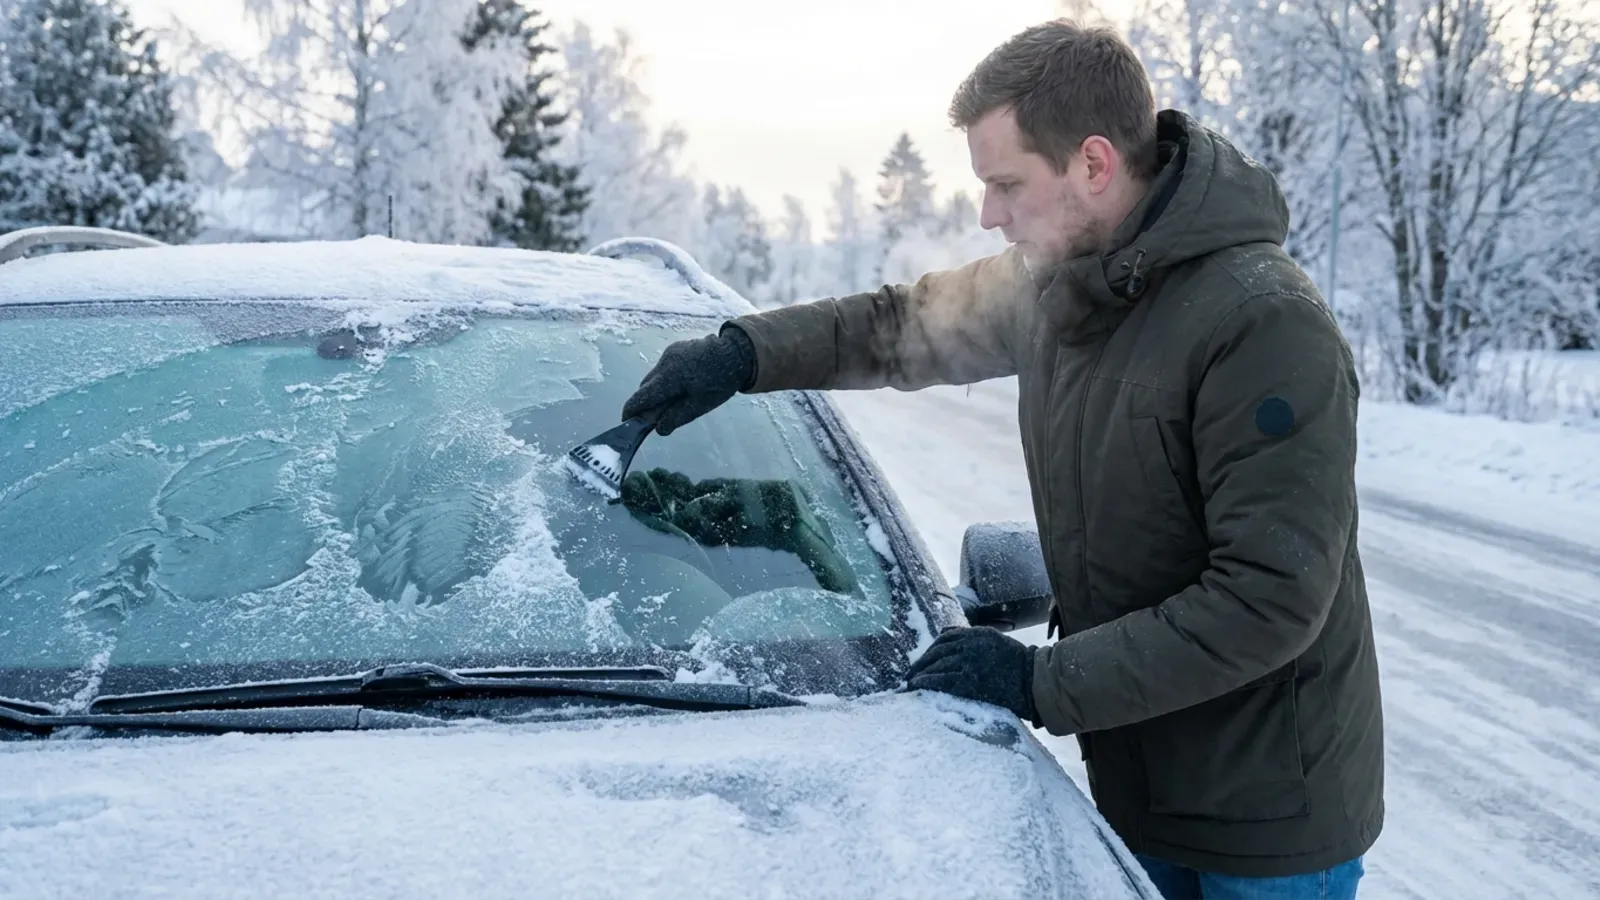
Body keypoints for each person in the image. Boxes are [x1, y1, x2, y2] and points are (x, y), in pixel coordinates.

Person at [619, 19, 1382, 900]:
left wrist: (1036, 680)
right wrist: (744, 354)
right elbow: (899, 326)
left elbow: (1268, 599)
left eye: (1006, 184)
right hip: (1138, 780)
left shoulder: (1260, 323)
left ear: (1093, 165)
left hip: (1265, 822)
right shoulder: (1063, 283)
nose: (988, 213)